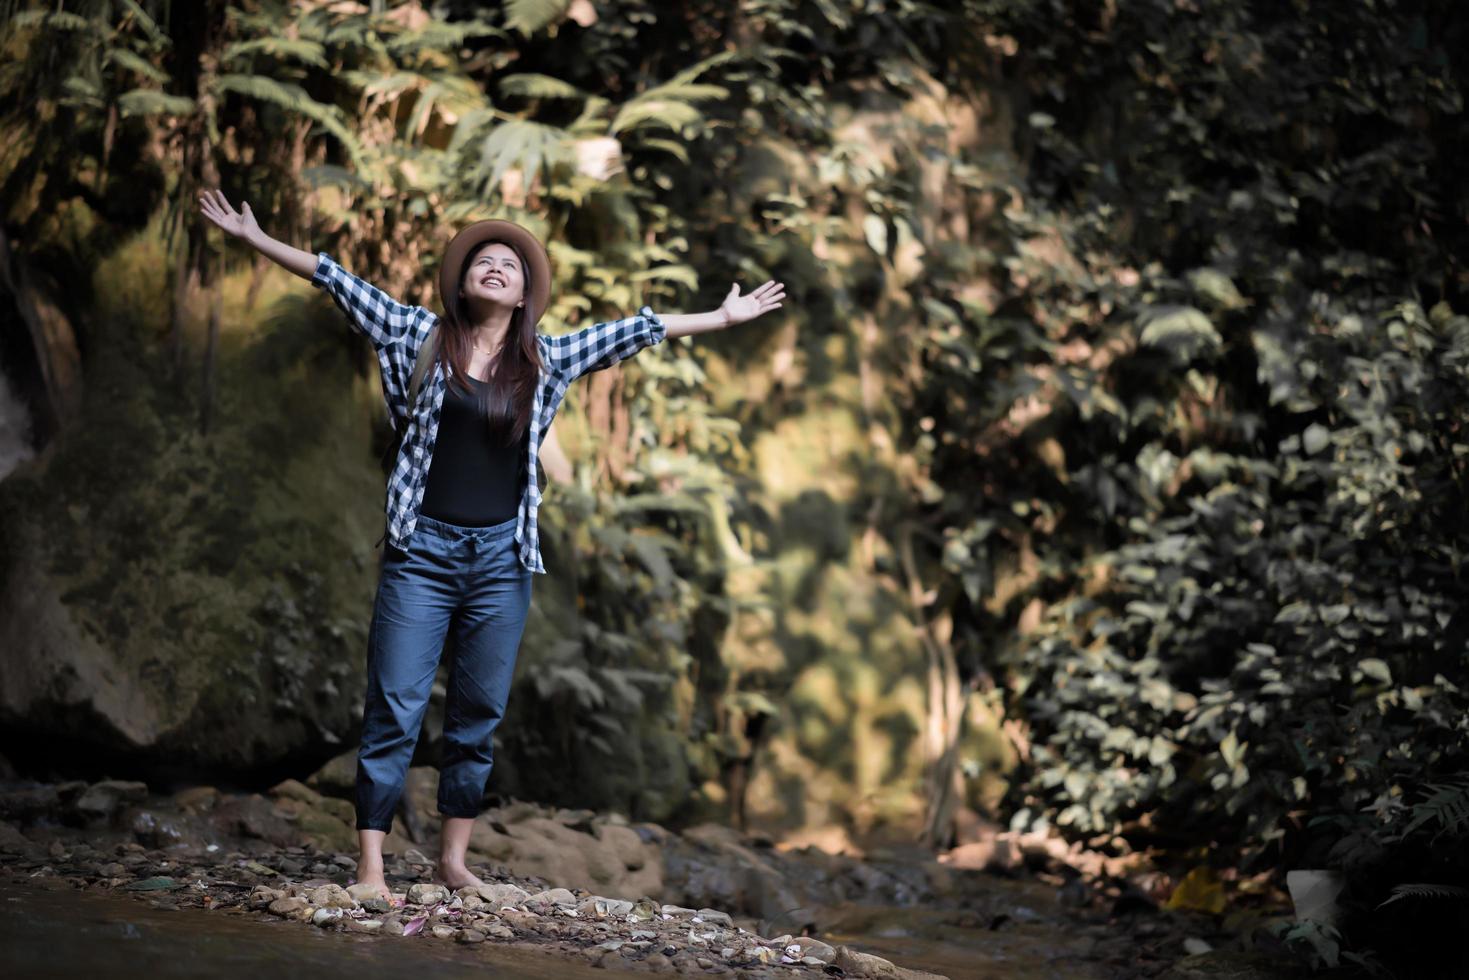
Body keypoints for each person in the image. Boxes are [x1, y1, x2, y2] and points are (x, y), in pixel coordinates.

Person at [197, 189, 784, 899]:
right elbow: (332, 277)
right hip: (422, 555)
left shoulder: (547, 360)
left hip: (502, 562)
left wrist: (722, 317)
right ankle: (371, 869)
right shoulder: (415, 334)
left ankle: (452, 862)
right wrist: (255, 239)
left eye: (509, 263)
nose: (496, 266)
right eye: (484, 259)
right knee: (396, 707)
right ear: (464, 281)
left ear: (524, 293)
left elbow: (636, 330)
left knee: (476, 718)